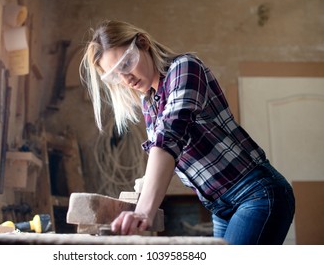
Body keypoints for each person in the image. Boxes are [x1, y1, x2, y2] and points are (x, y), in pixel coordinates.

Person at [80, 20, 295, 245]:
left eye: (126, 64)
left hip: (255, 193)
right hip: (220, 208)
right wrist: (147, 183)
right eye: (115, 76)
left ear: (142, 44)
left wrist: (143, 212)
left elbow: (170, 136)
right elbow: (171, 152)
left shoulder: (185, 68)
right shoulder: (149, 101)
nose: (126, 79)